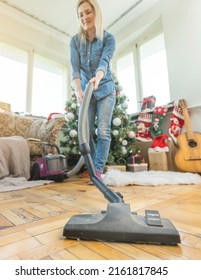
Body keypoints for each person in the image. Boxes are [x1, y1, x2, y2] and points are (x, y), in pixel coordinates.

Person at [70, 0, 116, 181]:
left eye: (87, 12)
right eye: (81, 14)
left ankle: (96, 171)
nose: (84, 17)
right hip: (86, 92)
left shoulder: (108, 38)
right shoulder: (75, 41)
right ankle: (94, 166)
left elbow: (104, 61)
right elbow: (75, 68)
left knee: (103, 130)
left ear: (96, 13)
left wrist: (97, 78)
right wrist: (79, 91)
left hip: (105, 89)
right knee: (85, 132)